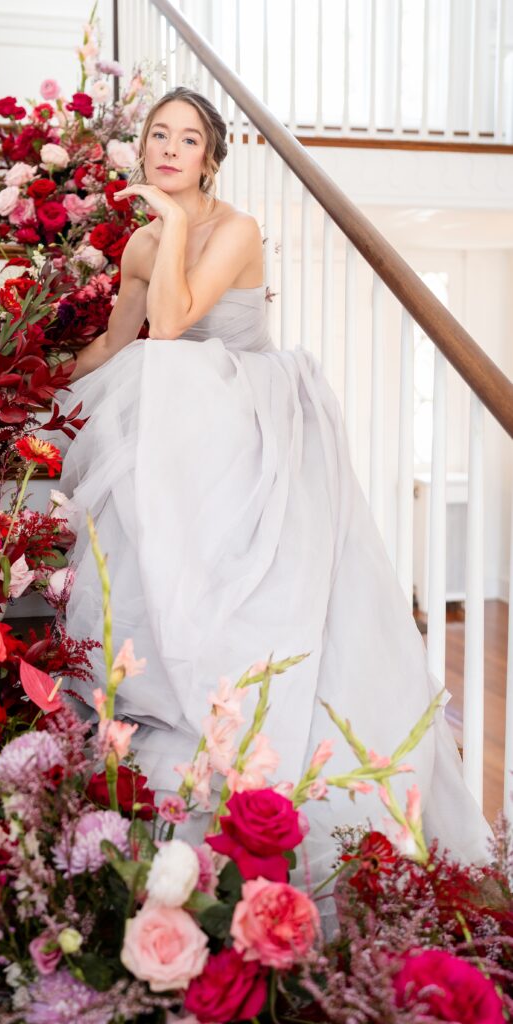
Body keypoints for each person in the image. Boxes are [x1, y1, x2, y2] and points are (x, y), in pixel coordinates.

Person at [58, 86, 491, 891]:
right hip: (184, 426)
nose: (170, 149)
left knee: (175, 385)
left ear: (209, 159)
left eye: (188, 140)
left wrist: (178, 222)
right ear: (142, 146)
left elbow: (178, 322)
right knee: (149, 400)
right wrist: (41, 387)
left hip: (251, 418)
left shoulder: (233, 229)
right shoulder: (140, 246)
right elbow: (121, 342)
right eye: (159, 134)